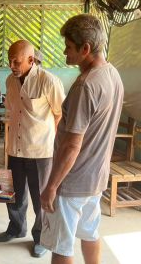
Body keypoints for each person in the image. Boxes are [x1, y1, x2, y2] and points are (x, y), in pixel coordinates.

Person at [40, 14, 124, 264]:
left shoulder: (86, 85)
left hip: (72, 181)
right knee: (90, 232)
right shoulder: (113, 75)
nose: (65, 53)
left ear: (85, 48)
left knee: (61, 246)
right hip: (96, 178)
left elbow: (72, 145)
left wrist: (52, 186)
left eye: (68, 47)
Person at [0, 40, 65, 258]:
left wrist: (54, 145)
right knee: (14, 194)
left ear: (31, 60)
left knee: (40, 197)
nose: (12, 65)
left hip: (40, 151)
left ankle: (41, 237)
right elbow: (14, 110)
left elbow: (59, 114)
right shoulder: (10, 80)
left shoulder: (48, 81)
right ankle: (16, 228)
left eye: (16, 61)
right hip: (15, 148)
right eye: (10, 61)